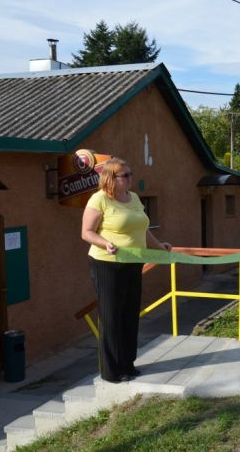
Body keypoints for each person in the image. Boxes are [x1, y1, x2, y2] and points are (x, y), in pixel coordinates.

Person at [81, 157, 171, 383]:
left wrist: (160, 247)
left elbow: (143, 229)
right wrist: (105, 243)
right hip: (107, 264)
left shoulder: (134, 198)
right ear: (111, 178)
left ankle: (128, 365)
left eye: (131, 173)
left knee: (130, 314)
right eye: (126, 175)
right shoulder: (99, 199)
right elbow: (87, 233)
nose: (131, 178)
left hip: (134, 262)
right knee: (112, 317)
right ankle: (111, 372)